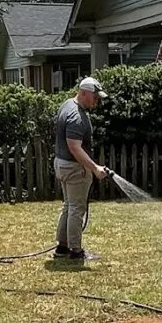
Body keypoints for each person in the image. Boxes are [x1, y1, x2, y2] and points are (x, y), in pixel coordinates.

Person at [53, 76, 109, 259]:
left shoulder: (67, 104)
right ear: (84, 93)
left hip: (62, 164)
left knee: (69, 206)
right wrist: (94, 168)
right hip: (74, 168)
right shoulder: (77, 117)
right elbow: (75, 147)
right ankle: (76, 251)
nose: (97, 101)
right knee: (77, 209)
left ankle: (62, 248)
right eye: (95, 97)